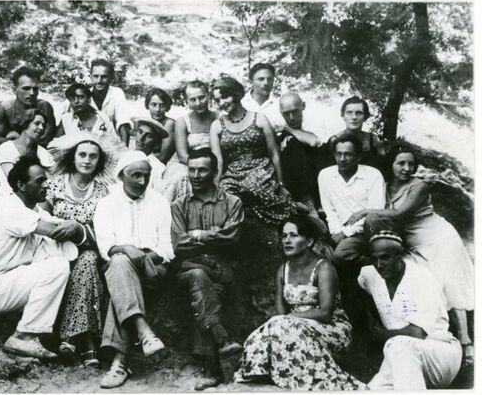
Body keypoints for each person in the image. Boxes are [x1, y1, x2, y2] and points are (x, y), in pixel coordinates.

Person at [346, 145, 475, 365]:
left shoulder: (419, 186)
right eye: (401, 163)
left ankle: (465, 342)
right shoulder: (384, 188)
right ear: (391, 165)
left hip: (438, 238)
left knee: (450, 284)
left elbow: (399, 214)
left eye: (411, 164)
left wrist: (366, 211)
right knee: (427, 282)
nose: (407, 168)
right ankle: (429, 336)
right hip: (412, 244)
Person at [235, 216, 365, 390]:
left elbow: (325, 312)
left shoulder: (323, 268)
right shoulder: (283, 270)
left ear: (309, 241)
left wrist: (292, 318)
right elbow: (280, 314)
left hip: (330, 327)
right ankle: (261, 374)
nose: (287, 241)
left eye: (293, 235)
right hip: (292, 325)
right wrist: (287, 320)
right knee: (261, 334)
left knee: (283, 326)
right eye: (284, 236)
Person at [0, 156, 77, 359]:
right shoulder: (10, 207)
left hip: (9, 281)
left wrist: (74, 225)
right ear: (20, 185)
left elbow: (61, 228)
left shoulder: (33, 211)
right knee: (57, 266)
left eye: (46, 180)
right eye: (39, 181)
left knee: (53, 253)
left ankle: (48, 335)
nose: (46, 185)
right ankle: (23, 337)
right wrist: (73, 225)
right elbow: (55, 230)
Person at [93, 150, 174, 389]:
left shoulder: (159, 202)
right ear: (121, 176)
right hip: (119, 265)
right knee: (120, 263)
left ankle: (120, 362)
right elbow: (106, 248)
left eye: (146, 175)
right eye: (136, 175)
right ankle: (142, 334)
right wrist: (128, 249)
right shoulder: (107, 204)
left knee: (121, 278)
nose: (142, 181)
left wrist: (144, 258)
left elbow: (168, 248)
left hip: (152, 267)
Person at [40, 132, 118, 366]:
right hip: (54, 248)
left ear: (99, 161)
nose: (87, 160)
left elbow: (105, 231)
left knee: (88, 260)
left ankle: (70, 337)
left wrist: (79, 228)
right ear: (72, 157)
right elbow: (41, 216)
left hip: (89, 248)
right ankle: (87, 343)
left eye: (93, 156)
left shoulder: (104, 192)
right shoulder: (54, 185)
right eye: (82, 155)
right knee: (83, 264)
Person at [171, 148, 244, 391]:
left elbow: (232, 237)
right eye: (191, 170)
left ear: (214, 172)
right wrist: (214, 237)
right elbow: (179, 244)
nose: (196, 175)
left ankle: (211, 369)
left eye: (202, 170)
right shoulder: (179, 205)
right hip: (189, 268)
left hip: (220, 269)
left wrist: (199, 235)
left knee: (206, 288)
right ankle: (222, 340)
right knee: (198, 276)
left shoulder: (232, 203)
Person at [359, 231, 462, 390]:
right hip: (399, 356)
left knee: (397, 345)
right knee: (370, 390)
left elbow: (416, 333)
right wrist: (370, 318)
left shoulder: (422, 278)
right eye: (374, 259)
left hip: (439, 354)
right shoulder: (370, 273)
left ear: (401, 255)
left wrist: (378, 334)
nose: (379, 264)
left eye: (385, 257)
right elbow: (361, 287)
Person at [209, 76, 296, 225]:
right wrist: (215, 187)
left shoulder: (259, 118)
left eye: (225, 97)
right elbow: (218, 161)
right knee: (226, 198)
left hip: (260, 170)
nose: (222, 103)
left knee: (256, 188)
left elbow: (274, 153)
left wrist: (281, 185)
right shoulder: (217, 125)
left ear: (236, 94)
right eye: (217, 100)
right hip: (233, 174)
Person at [0, 66, 56, 195]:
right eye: (26, 88)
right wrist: (14, 143)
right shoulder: (5, 108)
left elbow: (46, 138)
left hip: (39, 151)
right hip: (11, 151)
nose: (32, 93)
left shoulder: (44, 106)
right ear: (15, 90)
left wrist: (18, 138)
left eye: (35, 89)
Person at [318, 133, 385, 271]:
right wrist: (337, 232)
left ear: (359, 156)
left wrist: (345, 233)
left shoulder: (373, 175)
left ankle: (380, 264)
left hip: (367, 230)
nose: (342, 159)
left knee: (341, 255)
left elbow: (375, 213)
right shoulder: (325, 175)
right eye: (338, 154)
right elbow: (329, 209)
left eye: (348, 154)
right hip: (339, 230)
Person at [163, 80, 218, 202]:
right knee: (184, 177)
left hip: (212, 164)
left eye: (201, 97)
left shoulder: (219, 118)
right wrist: (202, 169)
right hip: (186, 164)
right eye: (193, 100)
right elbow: (182, 155)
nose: (198, 103)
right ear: (187, 101)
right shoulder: (182, 121)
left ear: (208, 96)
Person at [0, 109, 55, 205]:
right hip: (9, 197)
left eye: (43, 125)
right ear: (25, 123)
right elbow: (13, 180)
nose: (41, 128)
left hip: (35, 199)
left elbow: (50, 181)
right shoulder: (6, 148)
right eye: (37, 123)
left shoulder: (44, 153)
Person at [277, 92, 322, 214]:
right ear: (281, 113)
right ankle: (298, 200)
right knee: (292, 144)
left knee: (295, 143)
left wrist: (287, 129)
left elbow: (314, 142)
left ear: (303, 106)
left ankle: (310, 201)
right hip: (293, 180)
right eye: (286, 114)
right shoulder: (280, 133)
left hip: (317, 174)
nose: (291, 117)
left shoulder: (315, 122)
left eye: (295, 112)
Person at [326, 96, 385, 170]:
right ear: (343, 116)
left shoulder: (373, 139)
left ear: (365, 116)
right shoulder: (334, 140)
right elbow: (330, 169)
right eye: (349, 113)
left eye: (359, 113)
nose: (354, 117)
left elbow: (383, 165)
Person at [89, 58, 131, 145]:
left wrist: (124, 150)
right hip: (87, 143)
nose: (99, 80)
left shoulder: (117, 93)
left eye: (104, 77)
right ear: (91, 76)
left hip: (109, 143)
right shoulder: (84, 95)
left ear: (111, 78)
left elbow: (123, 123)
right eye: (96, 76)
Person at [131, 117, 169, 194]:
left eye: (149, 136)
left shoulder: (158, 168)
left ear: (156, 143)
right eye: (140, 132)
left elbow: (156, 195)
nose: (141, 138)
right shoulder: (125, 156)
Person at [240, 63, 284, 128]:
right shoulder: (241, 104)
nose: (266, 83)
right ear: (251, 82)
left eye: (269, 79)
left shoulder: (280, 106)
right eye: (261, 79)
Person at [144, 88, 176, 164]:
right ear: (148, 105)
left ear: (167, 107)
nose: (157, 109)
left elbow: (163, 157)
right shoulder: (147, 123)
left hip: (163, 165)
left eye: (162, 105)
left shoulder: (169, 124)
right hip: (149, 163)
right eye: (153, 105)